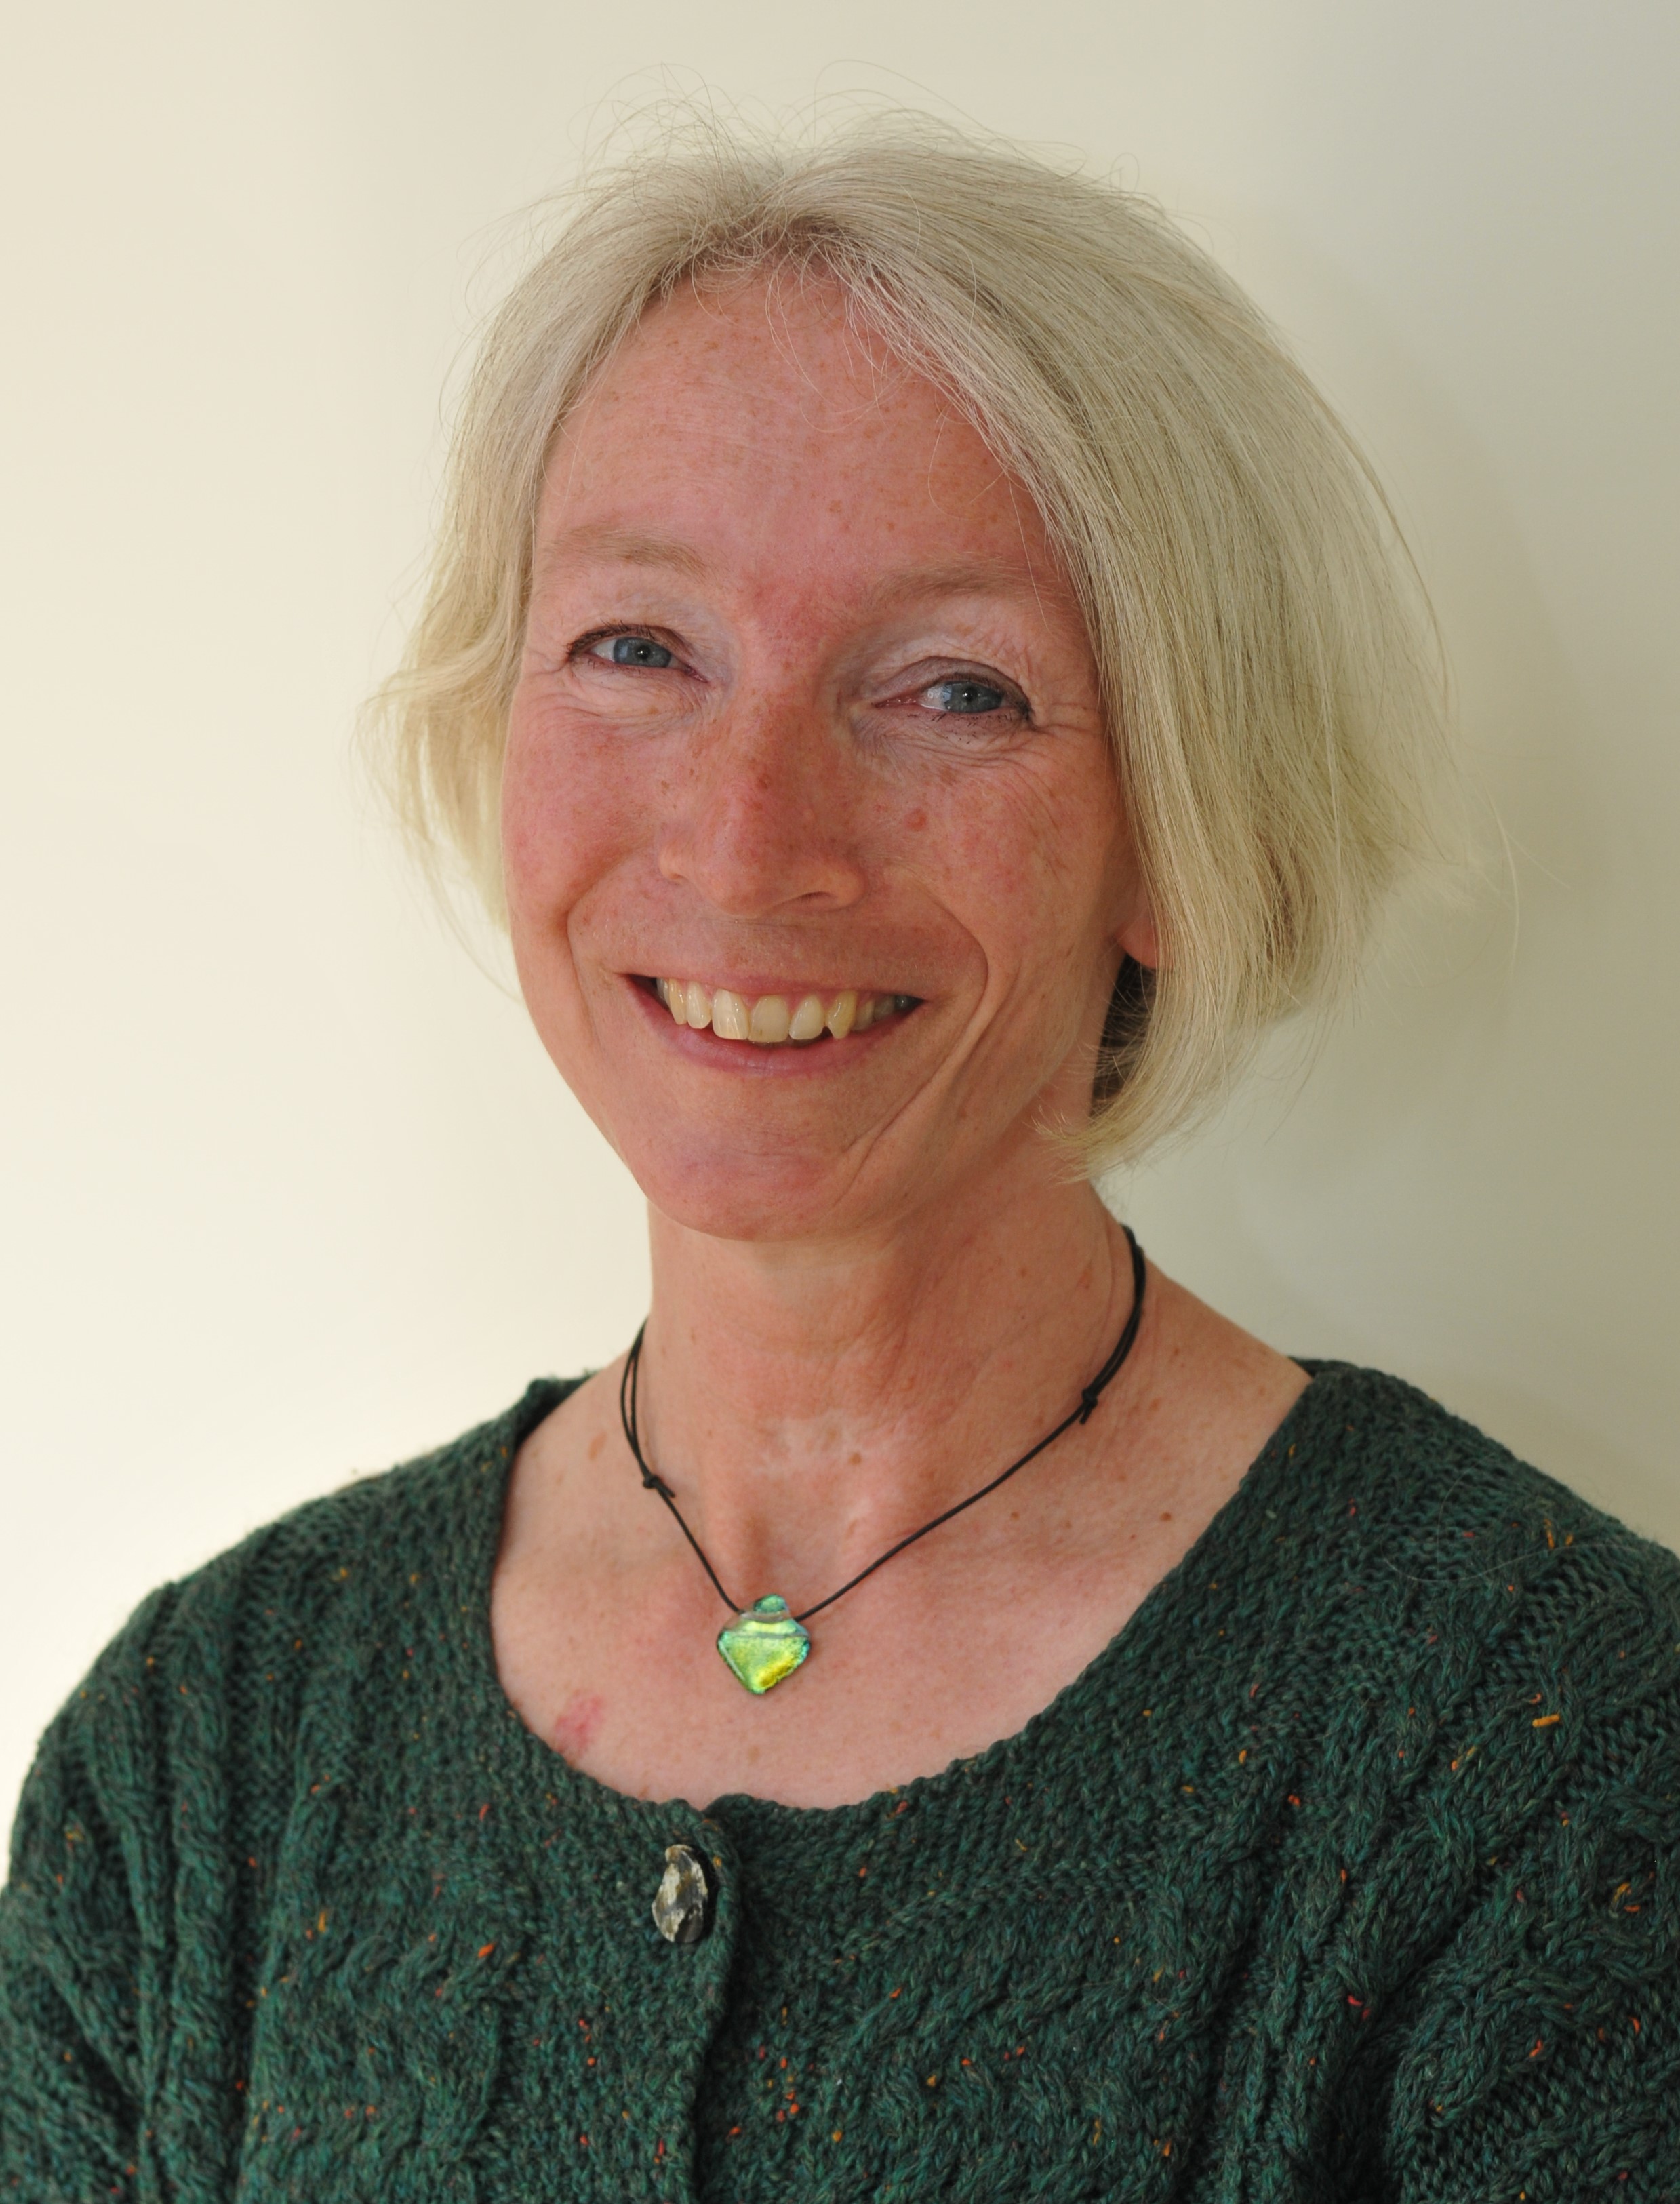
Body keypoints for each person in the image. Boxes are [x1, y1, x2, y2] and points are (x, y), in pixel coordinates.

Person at [3, 113, 1677, 2204]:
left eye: (953, 689)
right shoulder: (196, 1762)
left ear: (1184, 828)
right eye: (637, 648)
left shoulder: (1541, 1754)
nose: (745, 838)